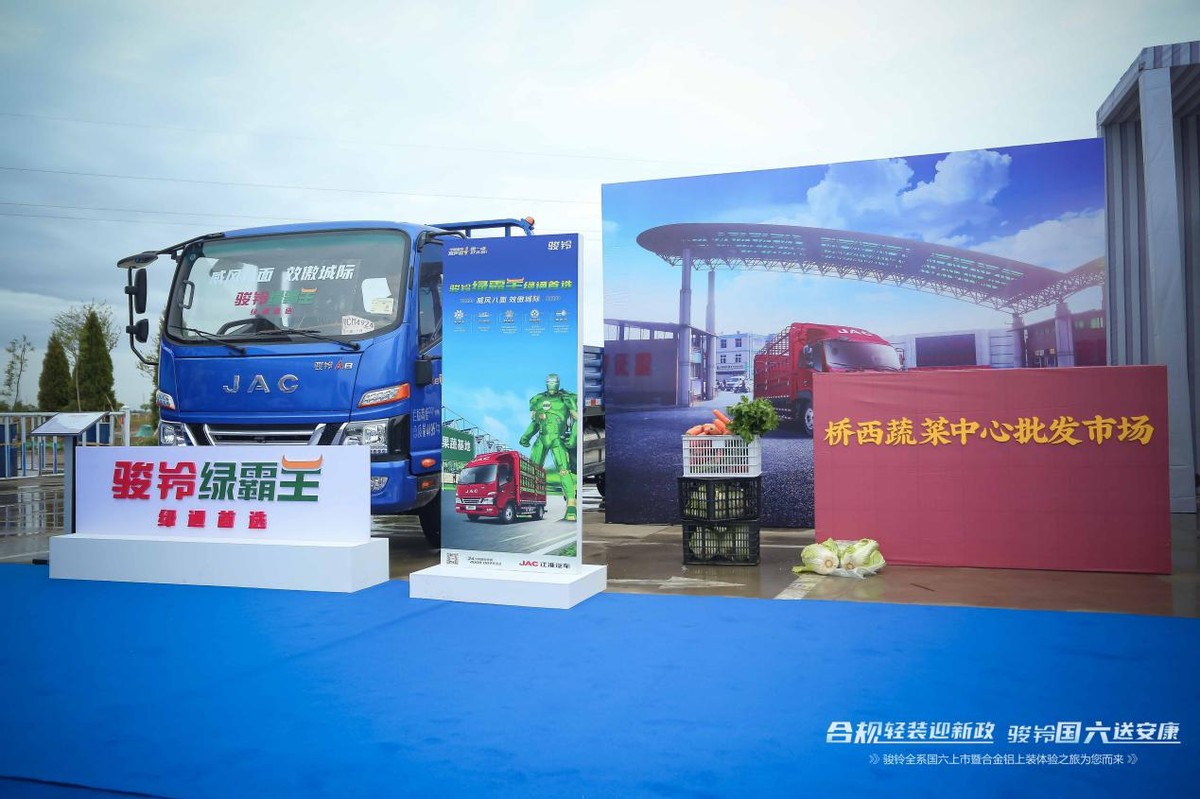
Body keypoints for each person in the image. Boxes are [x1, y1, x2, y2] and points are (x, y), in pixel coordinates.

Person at [519, 373, 579, 521]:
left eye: (554, 382)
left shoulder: (566, 399)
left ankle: (571, 505)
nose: (552, 385)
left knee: (563, 471)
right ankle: (529, 502)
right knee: (533, 471)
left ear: (558, 383)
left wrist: (573, 438)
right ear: (546, 383)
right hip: (541, 439)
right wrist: (526, 436)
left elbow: (577, 419)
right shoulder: (538, 400)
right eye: (549, 382)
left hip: (557, 440)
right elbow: (535, 423)